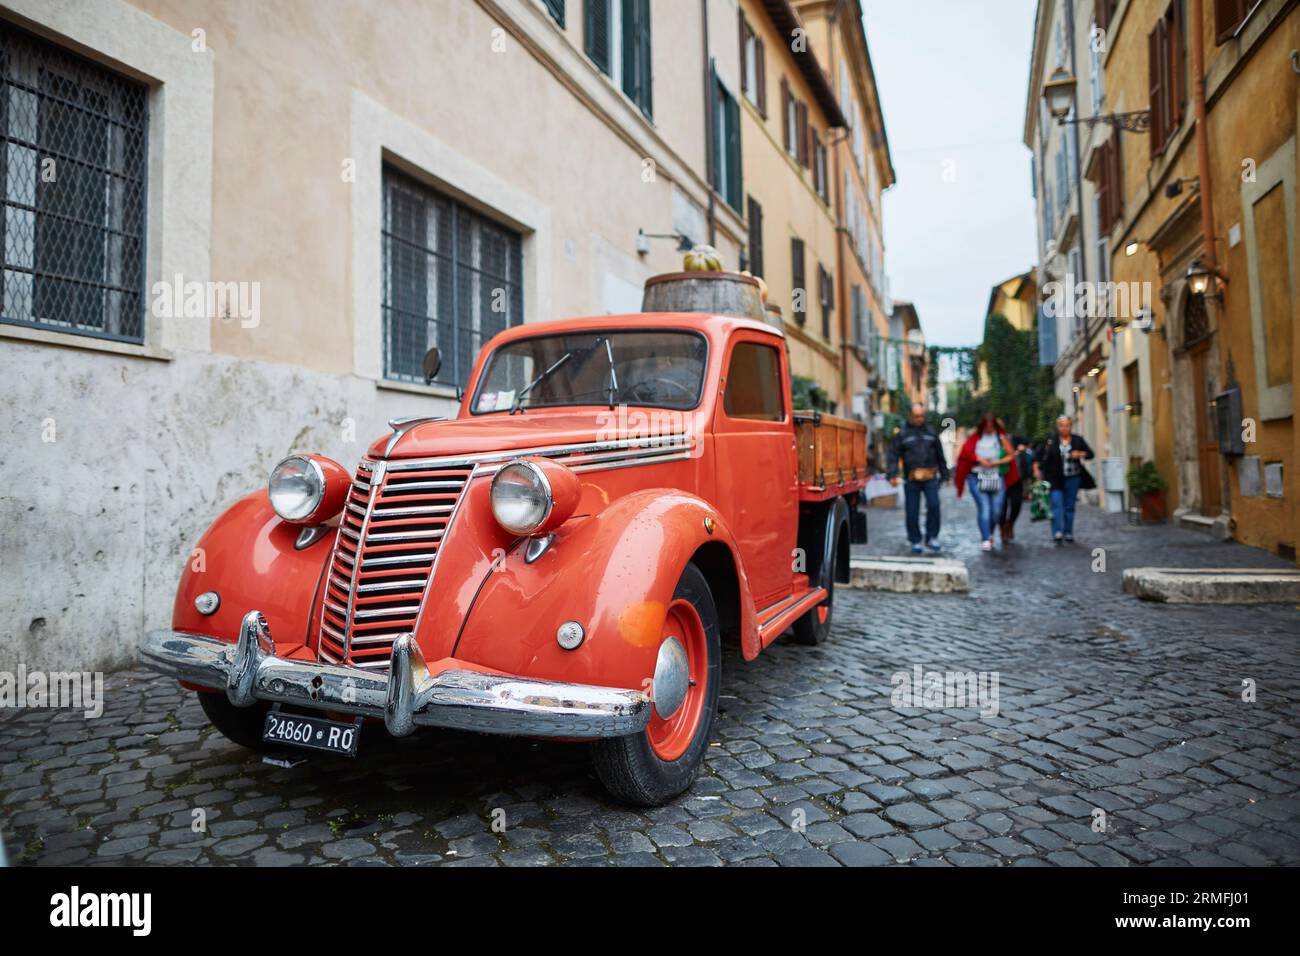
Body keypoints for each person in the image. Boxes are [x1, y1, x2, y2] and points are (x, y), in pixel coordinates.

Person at [888, 403, 950, 554]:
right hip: (911, 478)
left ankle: (932, 537)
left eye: (922, 415)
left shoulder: (931, 432)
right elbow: (893, 455)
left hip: (930, 477)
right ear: (911, 416)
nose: (920, 419)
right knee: (912, 511)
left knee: (934, 506)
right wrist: (892, 474)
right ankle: (915, 540)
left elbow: (940, 455)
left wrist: (945, 474)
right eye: (917, 416)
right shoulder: (903, 434)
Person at [954, 412, 1020, 552]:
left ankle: (988, 531)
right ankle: (986, 538)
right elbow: (966, 453)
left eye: (991, 425)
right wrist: (979, 459)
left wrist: (997, 462)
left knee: (996, 510)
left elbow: (1011, 455)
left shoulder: (1000, 438)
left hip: (996, 476)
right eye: (987, 425)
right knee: (984, 508)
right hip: (977, 476)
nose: (989, 428)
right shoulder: (975, 438)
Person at [1034, 415, 1095, 544]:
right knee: (1056, 505)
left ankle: (1068, 532)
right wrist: (1036, 470)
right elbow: (1037, 455)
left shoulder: (1077, 440)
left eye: (1067, 425)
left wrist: (1079, 454)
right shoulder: (1050, 440)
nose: (1064, 428)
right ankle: (1057, 532)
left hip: (1073, 478)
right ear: (1058, 427)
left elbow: (1090, 454)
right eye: (1061, 426)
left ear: (1070, 426)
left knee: (1069, 506)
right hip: (1054, 479)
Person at [999, 433, 1033, 543]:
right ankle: (1003, 529)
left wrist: (1020, 448)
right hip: (1000, 480)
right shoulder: (993, 441)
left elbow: (1026, 442)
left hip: (1016, 479)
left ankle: (1010, 524)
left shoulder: (1013, 438)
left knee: (1017, 504)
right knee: (1001, 508)